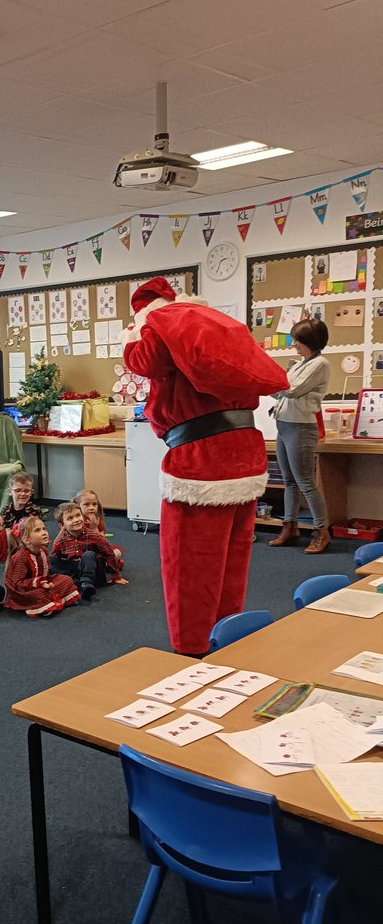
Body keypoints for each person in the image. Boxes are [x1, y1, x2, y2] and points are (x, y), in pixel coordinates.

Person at [123, 276, 288, 657]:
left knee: (189, 566)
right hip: (245, 450)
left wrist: (135, 333)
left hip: (201, 456)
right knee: (232, 560)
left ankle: (192, 652)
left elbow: (141, 360)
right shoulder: (212, 326)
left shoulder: (162, 327)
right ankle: (228, 639)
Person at [269, 318, 331, 554]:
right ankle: (290, 526)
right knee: (288, 481)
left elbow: (292, 391)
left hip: (301, 428)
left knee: (305, 482)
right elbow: (280, 394)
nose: (293, 344)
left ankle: (321, 532)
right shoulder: (300, 364)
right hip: (284, 425)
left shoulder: (320, 364)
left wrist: (266, 381)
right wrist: (270, 383)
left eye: (297, 340)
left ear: (310, 341)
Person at [4, 516, 81, 617]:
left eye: (44, 529)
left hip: (42, 583)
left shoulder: (43, 550)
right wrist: (38, 582)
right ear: (26, 540)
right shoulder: (20, 557)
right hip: (24, 591)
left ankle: (51, 601)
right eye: (37, 530)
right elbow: (17, 584)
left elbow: (47, 573)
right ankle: (42, 605)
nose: (44, 533)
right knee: (40, 594)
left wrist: (46, 582)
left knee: (66, 579)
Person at [51, 502, 127, 598]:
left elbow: (109, 554)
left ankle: (86, 583)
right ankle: (73, 581)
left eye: (78, 515)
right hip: (76, 570)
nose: (76, 520)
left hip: (94, 571)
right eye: (70, 518)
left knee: (88, 555)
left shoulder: (94, 536)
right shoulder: (61, 540)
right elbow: (55, 558)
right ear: (62, 526)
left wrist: (115, 575)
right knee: (51, 559)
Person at [74, 487, 124, 570]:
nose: (91, 507)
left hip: (97, 550)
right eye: (86, 504)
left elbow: (101, 542)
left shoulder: (98, 522)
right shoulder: (76, 523)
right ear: (78, 506)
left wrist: (94, 528)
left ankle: (105, 564)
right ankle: (104, 565)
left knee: (117, 553)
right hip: (81, 552)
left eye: (94, 504)